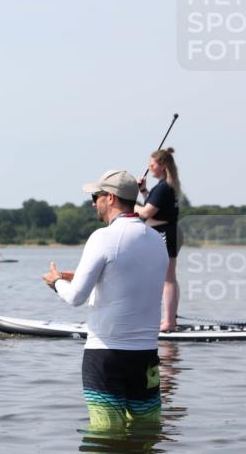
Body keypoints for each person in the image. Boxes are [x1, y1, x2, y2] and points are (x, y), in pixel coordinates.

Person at [41, 170, 168, 430]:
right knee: (146, 435)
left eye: (95, 196)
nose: (92, 202)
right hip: (146, 356)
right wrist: (81, 275)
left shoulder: (102, 237)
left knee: (105, 439)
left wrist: (56, 281)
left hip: (106, 355)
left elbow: (76, 297)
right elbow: (129, 278)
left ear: (110, 198)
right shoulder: (157, 240)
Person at [135, 147, 181, 332]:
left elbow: (146, 212)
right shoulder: (164, 186)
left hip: (165, 233)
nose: (149, 167)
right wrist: (144, 191)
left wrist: (130, 203)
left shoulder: (163, 187)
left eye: (152, 164)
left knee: (167, 279)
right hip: (167, 232)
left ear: (162, 166)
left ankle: (169, 322)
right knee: (170, 278)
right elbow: (153, 205)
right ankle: (171, 319)